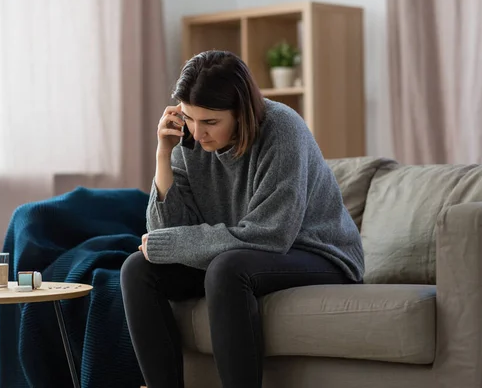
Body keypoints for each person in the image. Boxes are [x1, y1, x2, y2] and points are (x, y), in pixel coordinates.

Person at [120, 50, 364, 388]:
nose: (198, 132)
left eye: (210, 122)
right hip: (239, 253)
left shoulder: (283, 128)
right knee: (137, 269)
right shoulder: (188, 138)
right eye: (190, 118)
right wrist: (164, 153)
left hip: (318, 253)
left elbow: (272, 234)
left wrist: (172, 244)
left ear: (241, 113)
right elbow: (166, 237)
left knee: (227, 268)